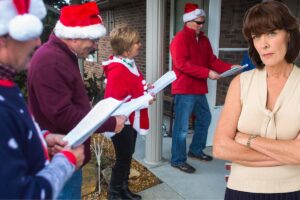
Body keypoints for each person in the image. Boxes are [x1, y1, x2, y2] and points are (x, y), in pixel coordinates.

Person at [27, 2, 126, 199]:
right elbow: (62, 114)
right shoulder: (52, 61)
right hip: (60, 158)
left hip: (66, 152)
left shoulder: (61, 56)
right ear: (73, 36)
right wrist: (110, 123)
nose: (96, 46)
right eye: (93, 39)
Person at [213, 1, 300, 199]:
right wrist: (287, 153)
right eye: (256, 36)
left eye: (271, 32)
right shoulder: (240, 83)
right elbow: (220, 147)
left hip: (293, 191)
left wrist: (247, 139)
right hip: (241, 190)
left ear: (289, 34)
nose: (263, 44)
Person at [0, 0, 85, 199]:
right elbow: (22, 194)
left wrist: (42, 138)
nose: (38, 42)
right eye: (30, 33)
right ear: (3, 38)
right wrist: (67, 161)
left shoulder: (7, 86)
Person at [170, 2, 238, 173]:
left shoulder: (204, 39)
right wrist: (207, 73)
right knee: (182, 128)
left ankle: (195, 150)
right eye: (199, 23)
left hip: (198, 88)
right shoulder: (179, 39)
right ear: (189, 21)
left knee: (205, 119)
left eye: (203, 23)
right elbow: (182, 64)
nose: (202, 26)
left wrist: (230, 68)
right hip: (184, 89)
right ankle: (177, 160)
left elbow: (212, 60)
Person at [103, 26, 154, 200]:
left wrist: (146, 90)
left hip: (129, 122)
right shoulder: (118, 70)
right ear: (126, 49)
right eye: (136, 42)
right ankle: (114, 193)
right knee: (123, 158)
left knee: (127, 156)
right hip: (121, 123)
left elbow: (133, 89)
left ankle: (122, 189)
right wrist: (144, 100)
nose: (140, 45)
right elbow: (116, 105)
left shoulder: (129, 63)